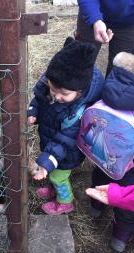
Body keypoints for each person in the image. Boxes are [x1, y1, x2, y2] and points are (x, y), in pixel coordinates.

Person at [28, 37, 104, 215]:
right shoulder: (53, 88)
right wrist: (32, 112)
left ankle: (65, 201)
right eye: (53, 89)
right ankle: (53, 189)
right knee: (54, 173)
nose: (56, 96)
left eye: (64, 93)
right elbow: (39, 100)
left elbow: (65, 140)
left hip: (66, 153)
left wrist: (47, 163)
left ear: (80, 91)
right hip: (51, 141)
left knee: (58, 175)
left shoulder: (78, 113)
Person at [85, 50, 134, 253]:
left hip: (102, 155)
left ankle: (95, 208)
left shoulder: (108, 87)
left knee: (100, 178)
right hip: (129, 166)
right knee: (127, 196)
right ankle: (120, 238)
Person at [76, 0, 134, 76]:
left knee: (120, 71)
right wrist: (94, 19)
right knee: (80, 63)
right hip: (91, 13)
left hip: (128, 23)